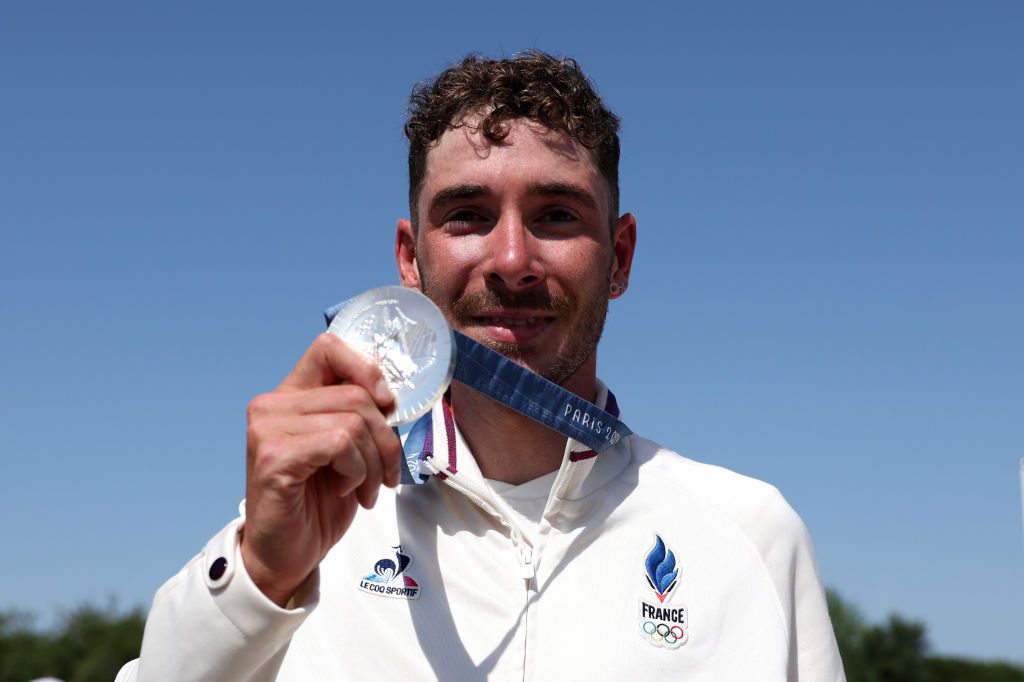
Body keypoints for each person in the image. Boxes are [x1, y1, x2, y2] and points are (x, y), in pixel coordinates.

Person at [117, 51, 844, 681]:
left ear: (619, 258)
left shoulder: (750, 534)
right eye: (467, 214)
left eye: (557, 214)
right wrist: (257, 576)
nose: (512, 261)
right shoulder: (308, 530)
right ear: (411, 259)